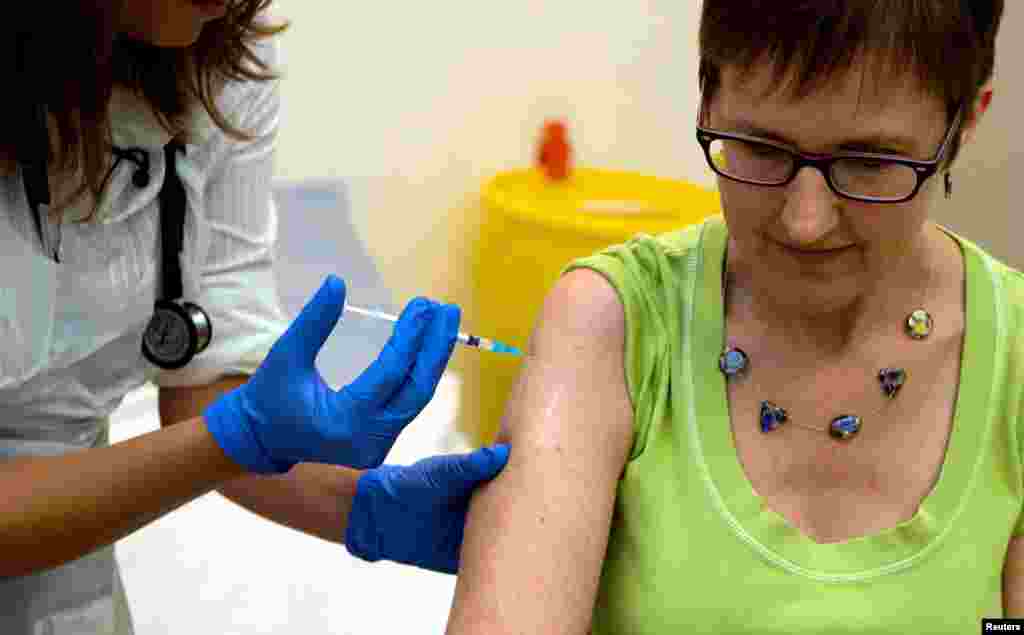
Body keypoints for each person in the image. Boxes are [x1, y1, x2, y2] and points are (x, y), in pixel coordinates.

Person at [446, 1, 1014, 632]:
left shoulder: (1013, 359)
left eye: (871, 163)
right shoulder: (612, 322)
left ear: (964, 125)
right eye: (761, 150)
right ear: (706, 101)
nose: (805, 221)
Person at [0, 1, 509, 633]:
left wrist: (363, 507)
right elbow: (221, 433)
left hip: (70, 576)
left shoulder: (216, 56)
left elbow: (203, 386)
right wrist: (237, 437)